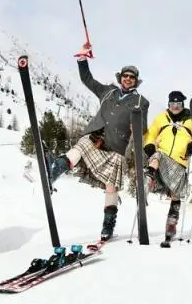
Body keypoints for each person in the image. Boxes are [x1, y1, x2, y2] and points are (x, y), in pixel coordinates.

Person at [47, 42, 150, 242]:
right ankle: (54, 172)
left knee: (111, 187)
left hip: (116, 146)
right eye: (125, 76)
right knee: (79, 148)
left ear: (136, 82)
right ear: (120, 78)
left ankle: (108, 226)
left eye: (132, 77)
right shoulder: (108, 92)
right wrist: (83, 58)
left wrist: (135, 127)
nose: (128, 79)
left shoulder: (141, 102)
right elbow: (87, 79)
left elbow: (143, 127)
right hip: (96, 136)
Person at [143, 90, 192, 248]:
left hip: (179, 162)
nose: (175, 106)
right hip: (162, 157)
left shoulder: (191, 119)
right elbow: (150, 134)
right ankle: (147, 182)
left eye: (178, 104)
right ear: (168, 104)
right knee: (156, 156)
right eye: (172, 104)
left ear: (182, 105)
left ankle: (171, 226)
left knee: (175, 194)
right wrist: (149, 144)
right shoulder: (161, 118)